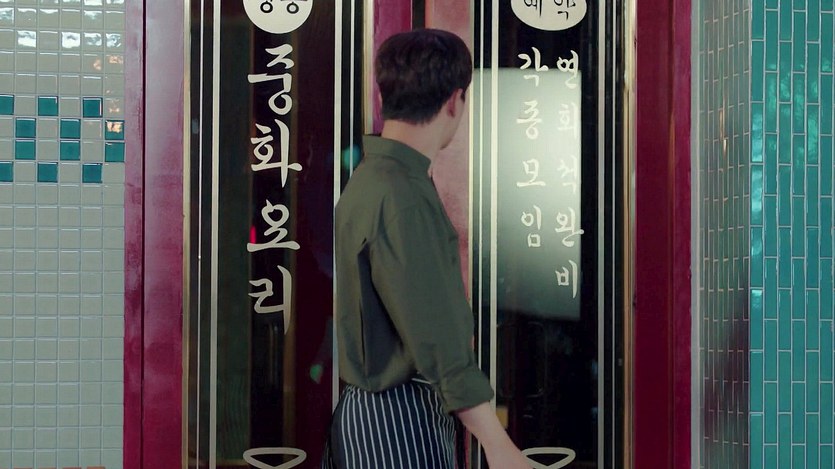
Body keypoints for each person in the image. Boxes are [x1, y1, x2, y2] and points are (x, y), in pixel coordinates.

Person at [321, 28, 530, 469]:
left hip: (372, 416)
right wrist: (498, 444)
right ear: (455, 101)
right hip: (397, 422)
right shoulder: (403, 196)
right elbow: (439, 342)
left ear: (384, 96)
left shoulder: (372, 180)